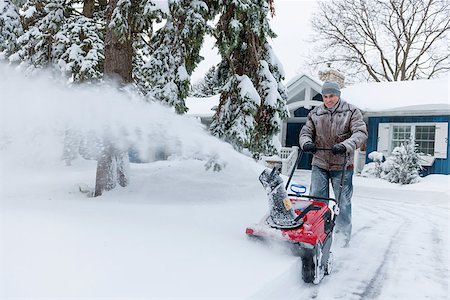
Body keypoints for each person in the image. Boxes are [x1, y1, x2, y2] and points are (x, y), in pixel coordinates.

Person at [299, 81, 367, 246]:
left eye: (332, 96)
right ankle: (317, 234)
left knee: (342, 202)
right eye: (325, 96)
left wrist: (345, 146)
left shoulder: (351, 112)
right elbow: (305, 132)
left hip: (342, 165)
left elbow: (360, 133)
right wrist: (306, 142)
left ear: (338, 95)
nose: (328, 99)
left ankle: (342, 239)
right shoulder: (315, 113)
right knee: (317, 201)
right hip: (320, 163)